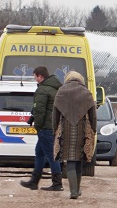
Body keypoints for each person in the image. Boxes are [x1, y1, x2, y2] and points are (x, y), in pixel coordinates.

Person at [53, 71, 96, 199]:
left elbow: (54, 113)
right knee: (79, 160)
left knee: (70, 160)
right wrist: (93, 129)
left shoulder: (61, 92)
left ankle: (74, 191)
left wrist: (54, 129)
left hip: (65, 130)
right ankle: (76, 190)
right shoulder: (86, 92)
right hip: (81, 129)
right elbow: (93, 114)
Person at [20, 66, 63, 191]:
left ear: (40, 76)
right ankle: (34, 181)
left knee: (50, 154)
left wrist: (37, 126)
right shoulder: (56, 88)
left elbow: (39, 110)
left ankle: (57, 183)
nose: (35, 80)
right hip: (52, 125)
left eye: (35, 77)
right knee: (39, 152)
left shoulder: (43, 90)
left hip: (45, 127)